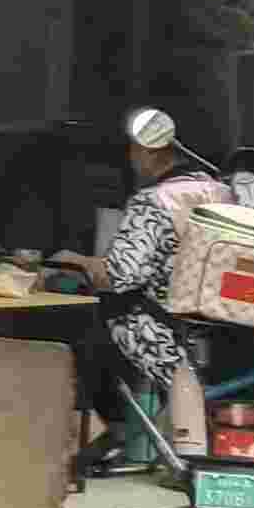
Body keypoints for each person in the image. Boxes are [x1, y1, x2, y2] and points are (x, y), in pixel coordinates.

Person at [78, 108, 192, 466]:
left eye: (132, 148)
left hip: (164, 337)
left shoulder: (154, 201)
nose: (130, 157)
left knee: (79, 326)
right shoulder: (220, 190)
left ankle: (103, 432)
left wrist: (77, 262)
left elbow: (119, 276)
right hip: (210, 337)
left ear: (148, 150)